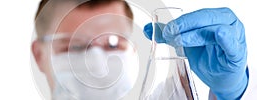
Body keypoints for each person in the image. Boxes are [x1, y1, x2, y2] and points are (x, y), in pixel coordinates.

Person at [32, 0, 254, 99]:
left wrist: (229, 92)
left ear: (133, 50)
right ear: (39, 55)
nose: (96, 62)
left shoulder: (168, 96)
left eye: (112, 44)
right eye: (75, 46)